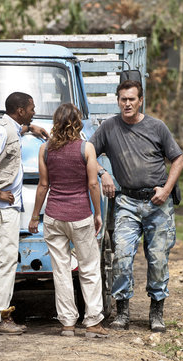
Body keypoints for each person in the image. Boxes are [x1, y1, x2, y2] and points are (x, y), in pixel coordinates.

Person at [89, 80, 183, 332]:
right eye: (123, 99)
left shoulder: (156, 127)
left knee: (158, 258)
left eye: (132, 99)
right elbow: (87, 152)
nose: (127, 103)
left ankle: (156, 311)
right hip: (127, 202)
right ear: (117, 100)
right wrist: (102, 173)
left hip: (157, 204)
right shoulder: (109, 127)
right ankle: (122, 311)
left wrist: (166, 190)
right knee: (121, 254)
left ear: (140, 100)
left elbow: (178, 159)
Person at [28, 103, 109, 338]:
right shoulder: (86, 148)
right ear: (77, 122)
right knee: (89, 268)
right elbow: (93, 184)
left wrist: (35, 217)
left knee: (61, 270)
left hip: (54, 217)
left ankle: (67, 324)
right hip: (81, 216)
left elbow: (43, 185)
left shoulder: (45, 149)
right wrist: (97, 213)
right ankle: (93, 321)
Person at [0, 92, 48, 335]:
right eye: (31, 109)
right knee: (3, 263)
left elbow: (17, 132)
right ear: (19, 110)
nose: (33, 111)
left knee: (5, 261)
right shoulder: (1, 130)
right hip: (1, 209)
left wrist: (31, 128)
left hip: (7, 210)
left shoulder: (12, 129)